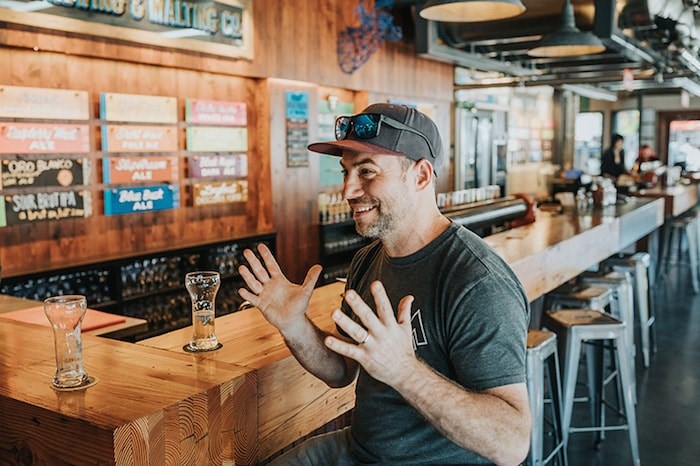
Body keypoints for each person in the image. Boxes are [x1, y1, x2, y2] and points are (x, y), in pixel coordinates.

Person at [238, 103, 531, 465]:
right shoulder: (368, 260)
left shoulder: (477, 281)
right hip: (360, 451)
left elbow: (513, 444)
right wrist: (294, 326)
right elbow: (342, 371)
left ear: (421, 176)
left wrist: (404, 370)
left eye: (367, 171)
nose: (347, 190)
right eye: (346, 172)